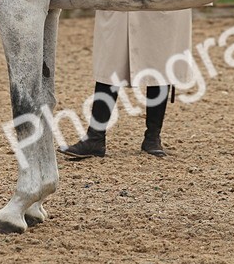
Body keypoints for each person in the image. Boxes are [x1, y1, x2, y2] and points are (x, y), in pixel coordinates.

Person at [60, 9, 193, 159]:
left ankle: (152, 138)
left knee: (159, 59)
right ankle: (95, 138)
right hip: (119, 0)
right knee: (110, 64)